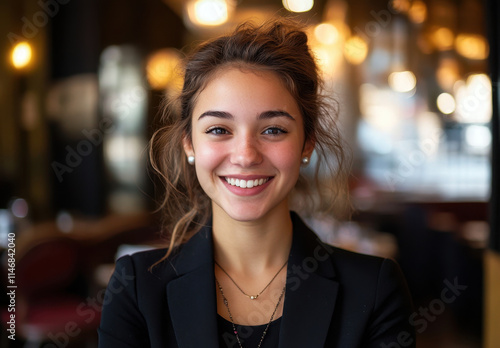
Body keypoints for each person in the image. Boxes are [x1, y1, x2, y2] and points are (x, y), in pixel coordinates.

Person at [98, 18, 415, 348]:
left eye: (273, 129)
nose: (246, 156)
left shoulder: (374, 289)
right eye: (219, 129)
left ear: (307, 143)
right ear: (189, 143)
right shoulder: (136, 288)